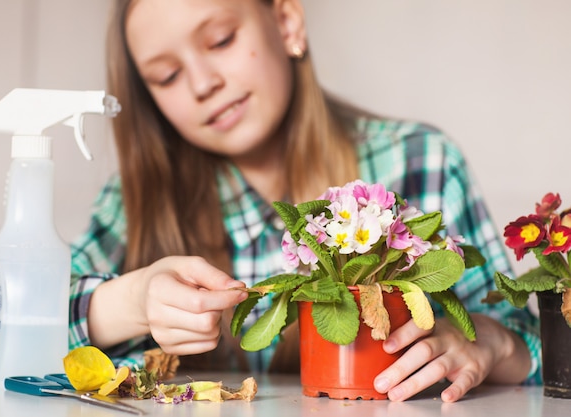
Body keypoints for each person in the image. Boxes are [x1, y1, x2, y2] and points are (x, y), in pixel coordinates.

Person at [69, 0, 541, 402]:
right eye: (167, 76)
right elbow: (17, 323)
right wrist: (132, 298)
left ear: (287, 22)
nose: (201, 84)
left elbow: (534, 346)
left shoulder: (418, 159)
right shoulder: (137, 202)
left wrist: (490, 344)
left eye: (220, 41)